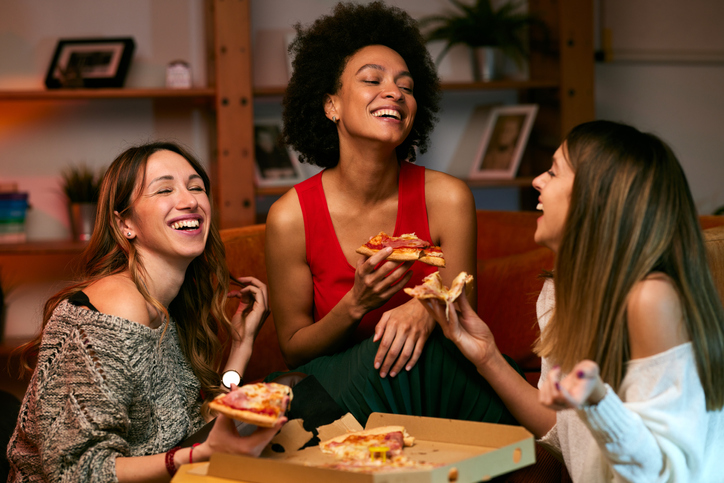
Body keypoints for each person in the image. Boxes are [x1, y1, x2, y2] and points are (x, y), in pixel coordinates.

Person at [422, 120, 724, 482]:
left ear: (593, 197)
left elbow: (666, 473)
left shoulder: (650, 298)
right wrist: (487, 356)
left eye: (553, 171)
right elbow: (564, 435)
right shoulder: (558, 293)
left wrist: (596, 401)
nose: (538, 181)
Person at [265, 1, 519, 426]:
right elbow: (295, 348)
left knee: (433, 356)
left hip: (434, 388)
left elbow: (464, 306)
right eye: (371, 80)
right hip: (341, 391)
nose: (395, 93)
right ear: (331, 106)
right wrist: (356, 304)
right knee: (403, 366)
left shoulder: (448, 198)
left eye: (406, 85)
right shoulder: (290, 217)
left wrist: (424, 309)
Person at [7, 142, 288, 482]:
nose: (190, 200)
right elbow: (76, 472)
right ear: (125, 223)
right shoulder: (116, 309)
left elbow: (197, 428)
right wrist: (193, 456)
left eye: (196, 186)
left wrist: (242, 345)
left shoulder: (168, 304)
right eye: (165, 189)